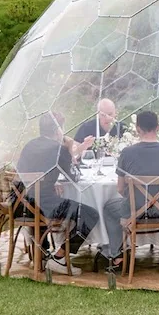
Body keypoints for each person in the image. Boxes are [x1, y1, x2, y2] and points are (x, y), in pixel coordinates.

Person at [15, 112, 100, 276]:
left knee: (75, 209)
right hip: (42, 205)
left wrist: (52, 182)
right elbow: (74, 176)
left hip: (21, 204)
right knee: (90, 215)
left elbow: (32, 172)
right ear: (58, 131)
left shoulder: (30, 145)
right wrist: (69, 149)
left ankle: (45, 252)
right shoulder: (59, 149)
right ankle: (59, 257)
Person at [98, 111, 159, 271]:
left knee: (109, 207)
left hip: (133, 211)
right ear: (157, 127)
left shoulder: (127, 153)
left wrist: (137, 201)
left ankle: (118, 257)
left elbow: (120, 189)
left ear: (137, 129)